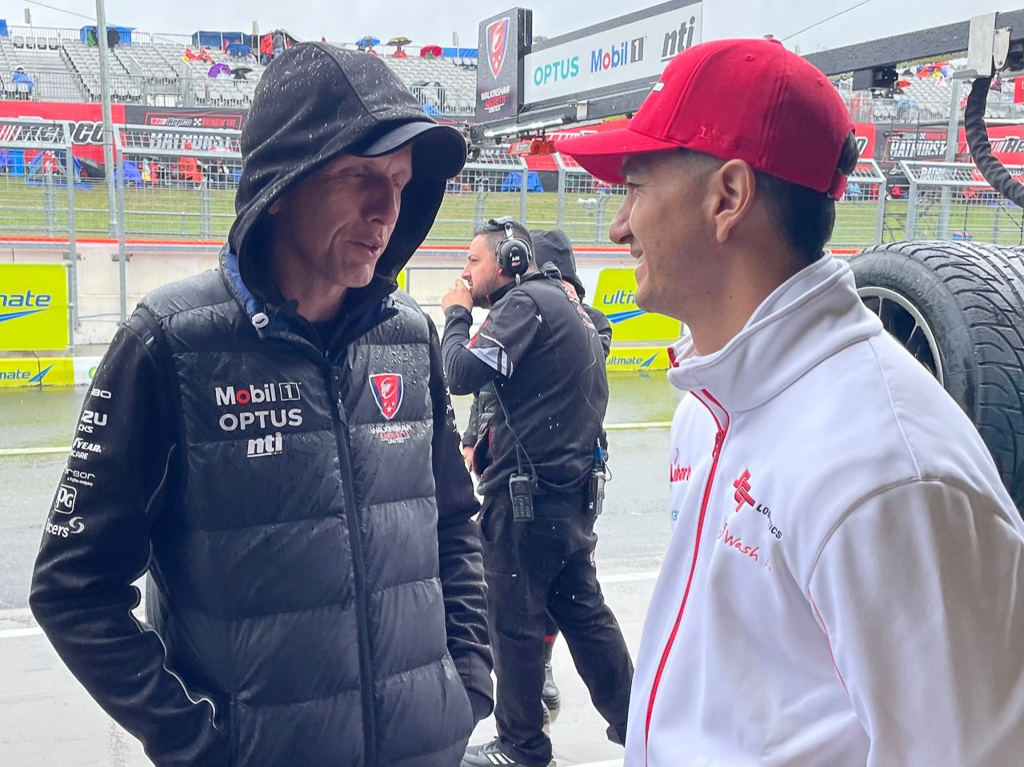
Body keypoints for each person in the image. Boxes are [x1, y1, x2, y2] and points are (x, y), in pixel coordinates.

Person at [556, 37, 1024, 766]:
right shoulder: (707, 407)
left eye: (635, 186)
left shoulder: (890, 471)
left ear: (729, 197)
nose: (619, 224)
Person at [30, 42, 492, 767]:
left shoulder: (410, 337)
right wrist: (201, 741)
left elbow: (455, 524)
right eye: (361, 176)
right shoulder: (167, 345)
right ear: (283, 183)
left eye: (400, 182)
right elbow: (72, 588)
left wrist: (467, 685)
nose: (387, 209)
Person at [442, 219, 633, 767]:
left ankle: (521, 747)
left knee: (513, 624)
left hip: (527, 505)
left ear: (509, 261)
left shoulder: (523, 304)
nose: (464, 272)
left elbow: (458, 372)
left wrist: (457, 313)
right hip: (567, 499)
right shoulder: (568, 306)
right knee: (585, 615)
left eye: (473, 262)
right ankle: (640, 722)